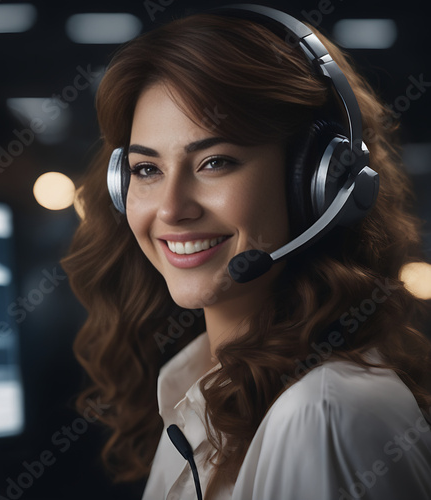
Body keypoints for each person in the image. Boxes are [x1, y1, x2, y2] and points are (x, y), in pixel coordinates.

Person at [62, 4, 431, 499]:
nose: (171, 209)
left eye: (215, 162)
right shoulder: (199, 390)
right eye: (147, 170)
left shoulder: (323, 414)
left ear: (318, 182)